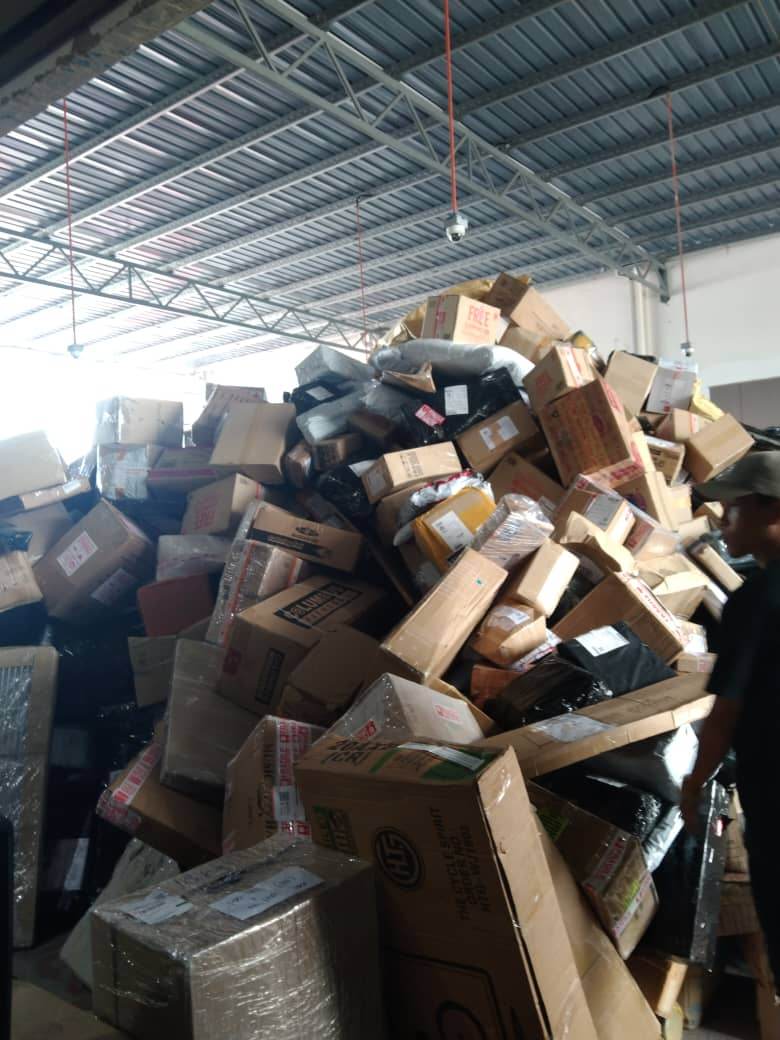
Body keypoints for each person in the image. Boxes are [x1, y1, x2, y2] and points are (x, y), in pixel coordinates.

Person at [681, 450, 780, 988]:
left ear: (771, 509)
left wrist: (695, 783)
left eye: (734, 507)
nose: (723, 520)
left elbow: (726, 712)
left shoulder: (757, 601)